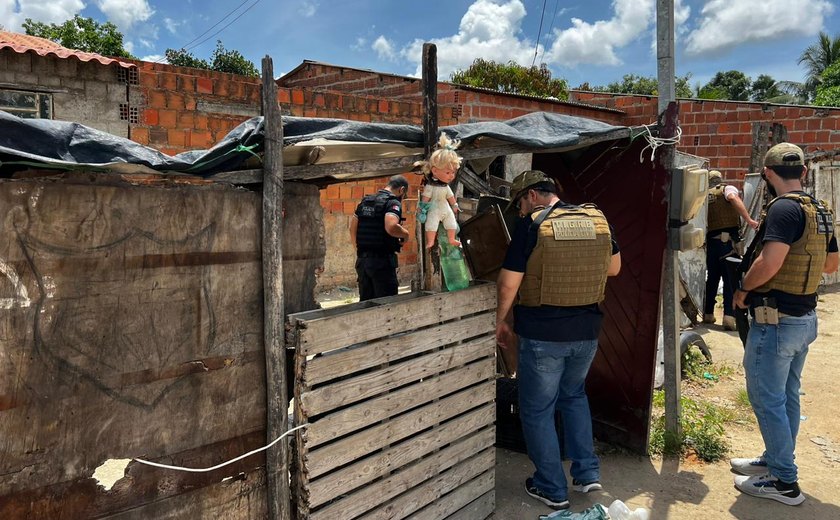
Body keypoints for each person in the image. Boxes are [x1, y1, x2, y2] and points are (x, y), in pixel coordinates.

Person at [495, 170, 621, 510]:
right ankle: (586, 473)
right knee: (574, 396)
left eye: (520, 203)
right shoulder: (596, 219)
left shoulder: (533, 225)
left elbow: (509, 284)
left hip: (543, 334)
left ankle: (551, 487)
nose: (520, 210)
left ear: (533, 195)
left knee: (536, 410)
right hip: (587, 332)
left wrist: (500, 321)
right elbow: (614, 268)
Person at [730, 143, 838, 506]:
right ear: (804, 172)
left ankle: (784, 481)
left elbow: (770, 262)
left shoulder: (785, 209)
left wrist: (744, 289)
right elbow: (830, 265)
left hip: (775, 320)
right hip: (804, 317)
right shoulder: (819, 209)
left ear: (767, 173)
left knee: (766, 398)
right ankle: (774, 459)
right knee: (787, 395)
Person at [704, 170, 759, 331]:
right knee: (730, 279)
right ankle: (729, 316)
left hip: (711, 243)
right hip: (727, 243)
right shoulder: (727, 189)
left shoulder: (705, 196)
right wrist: (748, 220)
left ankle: (708, 314)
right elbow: (733, 198)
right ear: (720, 180)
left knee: (712, 278)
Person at [349, 175, 411, 301]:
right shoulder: (392, 203)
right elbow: (391, 226)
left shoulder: (366, 201)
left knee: (366, 304)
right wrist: (405, 234)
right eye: (404, 196)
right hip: (382, 263)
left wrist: (359, 251)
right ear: (402, 190)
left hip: (363, 263)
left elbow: (352, 229)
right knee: (386, 305)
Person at [414, 133, 462, 248]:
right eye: (448, 172)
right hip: (434, 209)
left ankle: (452, 239)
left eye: (453, 172)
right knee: (431, 224)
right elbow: (426, 198)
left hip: (445, 208)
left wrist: (454, 205)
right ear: (435, 171)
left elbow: (450, 197)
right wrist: (423, 207)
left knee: (451, 222)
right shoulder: (430, 186)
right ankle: (430, 241)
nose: (451, 176)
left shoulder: (446, 187)